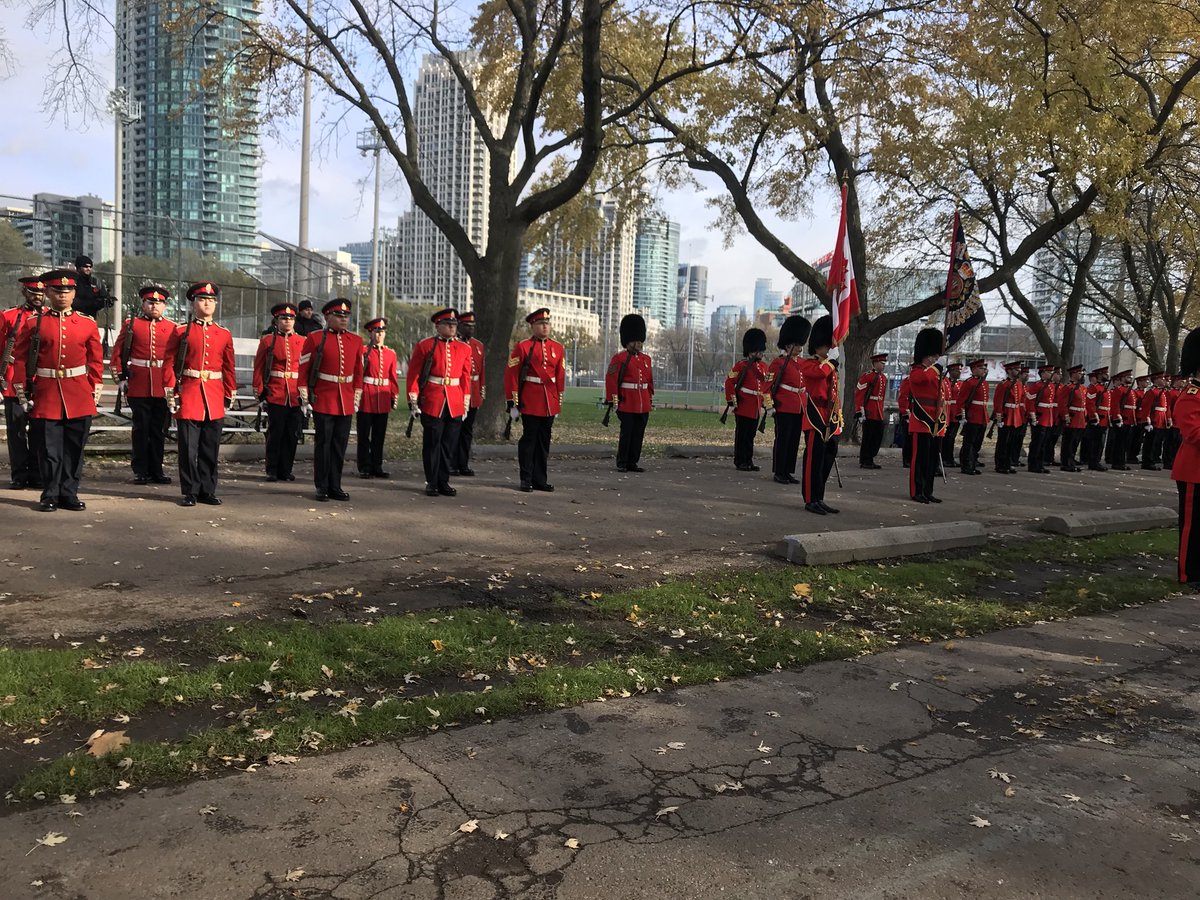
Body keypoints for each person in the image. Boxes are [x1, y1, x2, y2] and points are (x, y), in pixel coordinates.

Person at [10, 269, 103, 511]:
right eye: (58, 290)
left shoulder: (87, 323)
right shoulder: (34, 323)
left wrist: (93, 389)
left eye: (68, 290)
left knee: (74, 448)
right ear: (49, 293)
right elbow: (19, 358)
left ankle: (69, 493)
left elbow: (95, 360)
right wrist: (22, 392)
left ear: (74, 293)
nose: (63, 295)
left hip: (78, 393)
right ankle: (50, 493)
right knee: (49, 449)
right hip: (47, 393)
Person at [165, 282, 237, 507]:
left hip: (214, 395)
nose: (207, 303)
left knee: (210, 448)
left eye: (211, 300)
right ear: (193, 303)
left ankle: (208, 489)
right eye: (202, 299)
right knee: (188, 449)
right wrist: (170, 391)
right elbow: (168, 363)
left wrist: (229, 392)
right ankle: (190, 491)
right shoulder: (180, 331)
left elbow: (229, 366)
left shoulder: (223, 333)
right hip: (190, 393)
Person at [298, 298, 364, 502]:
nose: (343, 319)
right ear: (327, 317)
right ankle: (322, 486)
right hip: (324, 398)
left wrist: (356, 395)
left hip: (345, 398)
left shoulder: (356, 340)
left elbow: (358, 372)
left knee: (339, 445)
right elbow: (304, 370)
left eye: (346, 316)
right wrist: (305, 398)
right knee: (324, 444)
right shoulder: (315, 338)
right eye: (339, 316)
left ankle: (336, 484)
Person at [110, 283, 176, 485]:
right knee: (141, 429)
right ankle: (140, 470)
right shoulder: (131, 325)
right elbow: (117, 354)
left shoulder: (173, 328)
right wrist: (120, 378)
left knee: (158, 430)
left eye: (159, 303)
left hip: (163, 385)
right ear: (143, 304)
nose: (154, 306)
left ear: (164, 306)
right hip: (138, 383)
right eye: (150, 302)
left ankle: (157, 469)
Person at [505, 307, 565, 492]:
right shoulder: (522, 347)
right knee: (529, 441)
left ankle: (540, 479)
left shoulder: (557, 348)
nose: (545, 327)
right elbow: (512, 375)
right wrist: (512, 400)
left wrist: (558, 399)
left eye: (547, 323)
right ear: (533, 326)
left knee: (544, 441)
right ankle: (526, 478)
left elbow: (560, 375)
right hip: (530, 399)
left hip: (549, 401)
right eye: (541, 323)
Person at [0, 275, 46, 489]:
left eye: (41, 293)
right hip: (14, 383)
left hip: (41, 383)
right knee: (17, 432)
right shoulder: (9, 317)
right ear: (25, 293)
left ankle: (37, 473)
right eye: (33, 293)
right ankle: (19, 475)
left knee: (39, 431)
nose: (38, 297)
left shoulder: (49, 317)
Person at [253, 303, 306, 483]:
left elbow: (305, 368)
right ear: (276, 321)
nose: (288, 321)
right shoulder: (268, 340)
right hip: (276, 393)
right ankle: (272, 469)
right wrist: (260, 393)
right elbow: (259, 368)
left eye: (291, 318)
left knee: (292, 434)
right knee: (275, 434)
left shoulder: (302, 341)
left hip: (295, 394)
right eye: (284, 318)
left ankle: (286, 469)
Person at [796, 315, 841, 515]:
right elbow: (820, 374)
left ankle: (819, 496)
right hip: (815, 416)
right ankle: (810, 498)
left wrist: (838, 416)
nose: (830, 349)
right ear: (817, 346)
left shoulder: (829, 366)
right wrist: (831, 361)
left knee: (827, 458)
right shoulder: (809, 364)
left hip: (830, 415)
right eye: (827, 346)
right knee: (813, 460)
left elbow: (834, 393)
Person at [605, 313, 654, 473]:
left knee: (638, 434)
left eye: (640, 340)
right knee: (627, 434)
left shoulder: (646, 359)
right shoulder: (619, 358)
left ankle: (633, 462)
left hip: (643, 403)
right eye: (635, 340)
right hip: (627, 402)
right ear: (628, 341)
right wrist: (613, 400)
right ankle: (622, 461)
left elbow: (649, 382)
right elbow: (611, 380)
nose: (638, 343)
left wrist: (650, 399)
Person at [767, 315, 811, 484]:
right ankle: (779, 471)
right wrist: (769, 406)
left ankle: (788, 471)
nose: (799, 348)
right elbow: (767, 385)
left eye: (800, 345)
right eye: (796, 345)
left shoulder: (802, 362)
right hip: (783, 406)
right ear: (787, 345)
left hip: (799, 406)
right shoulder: (778, 363)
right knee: (783, 440)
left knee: (793, 441)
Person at [1171, 331, 1200, 583]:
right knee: (1192, 527)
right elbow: (1194, 433)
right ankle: (1188, 573)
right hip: (1194, 470)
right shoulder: (1191, 395)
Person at [907, 328, 946, 504]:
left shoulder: (934, 372)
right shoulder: (917, 371)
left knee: (931, 460)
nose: (936, 358)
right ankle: (917, 490)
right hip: (921, 419)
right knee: (920, 459)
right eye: (933, 354)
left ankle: (928, 490)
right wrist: (936, 368)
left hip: (936, 420)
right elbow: (922, 380)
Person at [358, 317, 400, 479]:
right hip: (367, 395)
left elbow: (393, 377)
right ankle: (364, 466)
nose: (380, 335)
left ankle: (377, 464)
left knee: (379, 434)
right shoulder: (363, 351)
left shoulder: (390, 353)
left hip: (382, 395)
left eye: (382, 332)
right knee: (364, 435)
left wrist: (393, 395)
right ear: (370, 333)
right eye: (377, 332)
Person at [724, 328, 769, 471]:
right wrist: (732, 401)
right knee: (742, 435)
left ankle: (748, 460)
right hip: (744, 405)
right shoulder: (741, 365)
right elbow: (729, 382)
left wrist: (767, 404)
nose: (761, 353)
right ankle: (740, 460)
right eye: (758, 350)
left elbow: (765, 386)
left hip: (756, 406)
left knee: (751, 436)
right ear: (751, 350)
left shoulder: (763, 367)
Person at [453, 310, 485, 477]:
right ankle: (452, 463)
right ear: (459, 326)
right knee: (454, 430)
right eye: (467, 326)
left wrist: (481, 391)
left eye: (472, 326)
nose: (470, 329)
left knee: (467, 431)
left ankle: (463, 463)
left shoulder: (478, 346)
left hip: (473, 392)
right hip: (458, 391)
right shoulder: (454, 344)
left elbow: (482, 372)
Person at [854, 352, 887, 469]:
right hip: (869, 410)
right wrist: (860, 410)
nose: (883, 365)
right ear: (875, 363)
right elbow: (859, 394)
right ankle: (865, 459)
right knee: (868, 437)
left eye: (884, 363)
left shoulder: (883, 378)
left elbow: (881, 397)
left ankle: (871, 457)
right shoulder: (867, 376)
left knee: (877, 436)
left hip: (878, 411)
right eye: (882, 363)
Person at [956, 358, 989, 476]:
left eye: (984, 368)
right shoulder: (969, 382)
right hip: (972, 416)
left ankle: (973, 463)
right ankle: (966, 465)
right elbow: (961, 401)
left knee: (977, 443)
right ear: (974, 369)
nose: (984, 370)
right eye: (981, 368)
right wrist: (962, 416)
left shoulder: (984, 382)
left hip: (982, 416)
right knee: (969, 442)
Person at [991, 360, 1025, 474]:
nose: (1019, 371)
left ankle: (1008, 463)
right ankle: (1000, 464)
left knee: (1012, 441)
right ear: (1009, 371)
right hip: (1006, 415)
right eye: (1016, 369)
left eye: (1019, 369)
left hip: (1015, 416)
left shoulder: (1019, 385)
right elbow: (998, 402)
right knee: (1003, 442)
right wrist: (999, 417)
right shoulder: (1004, 384)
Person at [1024, 364, 1058, 474]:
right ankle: (1033, 464)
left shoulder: (1051, 385)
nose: (1051, 374)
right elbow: (1029, 401)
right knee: (1037, 442)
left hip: (1048, 417)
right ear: (1042, 373)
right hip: (1040, 416)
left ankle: (1040, 463)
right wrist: (1033, 415)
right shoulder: (1037, 385)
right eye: (1049, 372)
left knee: (1044, 442)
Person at [1057, 363, 1090, 473]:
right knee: (1068, 442)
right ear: (1073, 374)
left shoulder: (1083, 388)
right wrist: (1066, 416)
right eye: (1080, 373)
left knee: (1075, 442)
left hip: (1080, 418)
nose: (1082, 375)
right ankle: (1066, 463)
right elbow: (1063, 403)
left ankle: (1071, 461)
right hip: (1072, 417)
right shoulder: (1068, 388)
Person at [1141, 371, 1170, 470]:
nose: (1164, 380)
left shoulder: (1161, 392)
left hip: (1160, 420)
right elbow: (1146, 407)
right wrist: (1147, 421)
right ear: (1156, 380)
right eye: (1161, 379)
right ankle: (1147, 461)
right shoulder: (1152, 392)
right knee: (1150, 442)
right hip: (1154, 420)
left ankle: (1152, 460)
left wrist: (1167, 419)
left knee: (1156, 442)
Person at [1084, 367, 1110, 472]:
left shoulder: (1104, 388)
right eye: (1105, 374)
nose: (1107, 375)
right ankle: (1093, 462)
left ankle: (1097, 460)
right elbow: (1090, 404)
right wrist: (1094, 416)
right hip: (1098, 418)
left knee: (1101, 442)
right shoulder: (1094, 388)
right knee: (1095, 442)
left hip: (1104, 418)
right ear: (1099, 375)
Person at [71, 255, 112, 319]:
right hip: (74, 318)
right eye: (85, 266)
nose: (88, 269)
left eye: (90, 267)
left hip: (91, 318)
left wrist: (107, 301)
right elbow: (72, 302)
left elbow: (105, 298)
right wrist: (92, 303)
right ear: (79, 267)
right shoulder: (72, 281)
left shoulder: (95, 282)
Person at [939, 360, 963, 468]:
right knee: (946, 438)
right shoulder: (945, 381)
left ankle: (949, 458)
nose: (959, 372)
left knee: (952, 438)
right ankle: (945, 458)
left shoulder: (959, 383)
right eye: (957, 370)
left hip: (954, 413)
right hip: (947, 413)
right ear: (951, 371)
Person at [1109, 370, 1134, 470]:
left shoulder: (1129, 390)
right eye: (1128, 377)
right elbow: (1115, 405)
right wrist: (1117, 417)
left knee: (1125, 442)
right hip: (1122, 418)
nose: (1130, 378)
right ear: (1122, 378)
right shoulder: (1119, 390)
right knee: (1119, 442)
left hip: (1129, 419)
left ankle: (1121, 461)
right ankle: (1117, 462)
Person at [1165, 374, 1184, 468]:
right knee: (1171, 443)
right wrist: (1169, 418)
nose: (1183, 382)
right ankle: (1169, 461)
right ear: (1176, 381)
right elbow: (1168, 407)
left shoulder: (1181, 392)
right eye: (1181, 380)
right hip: (1174, 421)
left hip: (1180, 422)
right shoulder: (1171, 393)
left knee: (1177, 443)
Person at [896, 373, 912, 467]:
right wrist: (905, 412)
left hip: (917, 412)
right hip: (909, 412)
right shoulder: (908, 381)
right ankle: (907, 460)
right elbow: (904, 397)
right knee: (908, 438)